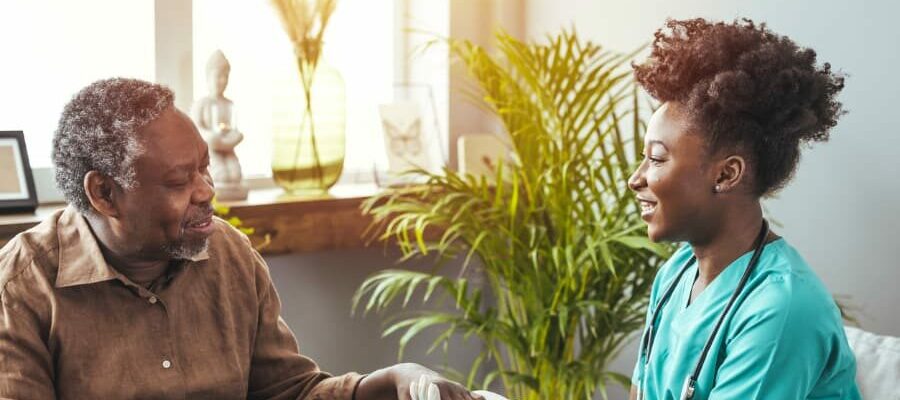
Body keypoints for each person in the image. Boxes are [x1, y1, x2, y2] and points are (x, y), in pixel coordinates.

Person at [0, 77, 482, 400]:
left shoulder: (227, 252)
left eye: (205, 166)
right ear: (104, 193)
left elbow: (287, 391)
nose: (206, 191)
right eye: (178, 181)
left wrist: (393, 381)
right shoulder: (23, 286)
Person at [626, 19, 861, 399]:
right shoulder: (675, 274)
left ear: (727, 174)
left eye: (656, 159)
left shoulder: (781, 308)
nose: (635, 179)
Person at [191, 49, 249, 200]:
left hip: (228, 148)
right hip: (211, 151)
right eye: (218, 76)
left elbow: (233, 129)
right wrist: (212, 138)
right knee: (221, 176)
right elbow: (196, 130)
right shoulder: (202, 104)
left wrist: (234, 137)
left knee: (235, 176)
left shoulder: (229, 104)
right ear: (208, 77)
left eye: (226, 76)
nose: (222, 80)